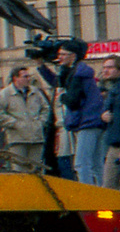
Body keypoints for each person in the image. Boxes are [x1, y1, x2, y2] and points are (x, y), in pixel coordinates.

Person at [39, 39, 105, 185]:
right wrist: (42, 67)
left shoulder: (78, 75)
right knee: (96, 164)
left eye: (63, 54)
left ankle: (88, 196)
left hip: (87, 123)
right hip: (95, 122)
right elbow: (58, 82)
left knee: (81, 163)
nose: (59, 57)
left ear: (73, 55)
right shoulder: (81, 72)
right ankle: (101, 193)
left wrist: (62, 96)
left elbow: (73, 101)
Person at [0, 66, 51, 170]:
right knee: (19, 171)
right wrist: (13, 123)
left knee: (36, 170)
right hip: (17, 139)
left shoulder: (35, 92)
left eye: (29, 76)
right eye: (25, 76)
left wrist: (41, 122)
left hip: (36, 138)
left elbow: (46, 108)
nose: (28, 79)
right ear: (15, 78)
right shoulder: (6, 93)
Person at [99, 55, 120, 189]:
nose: (106, 70)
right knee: (108, 188)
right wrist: (104, 115)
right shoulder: (112, 89)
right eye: (104, 67)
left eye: (110, 67)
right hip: (113, 144)